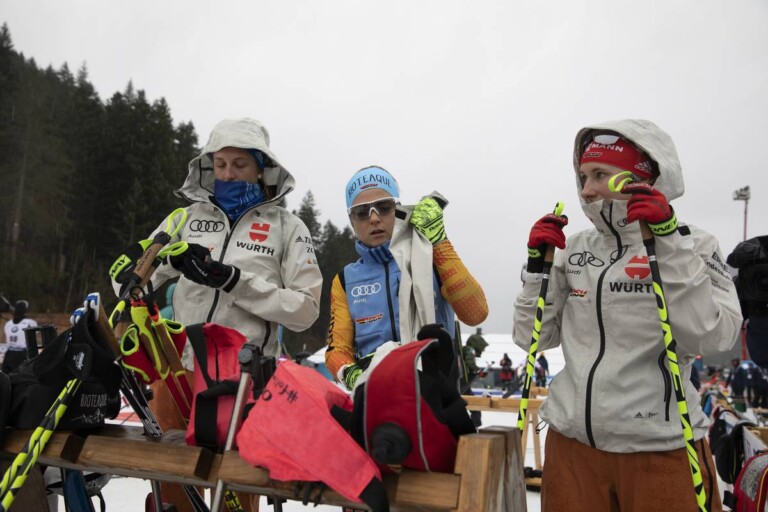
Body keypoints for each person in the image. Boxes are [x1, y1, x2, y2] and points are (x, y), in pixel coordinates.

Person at [513, 119, 742, 511]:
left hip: (659, 446)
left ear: (638, 178)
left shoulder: (695, 244)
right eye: (583, 176)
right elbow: (532, 338)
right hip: (573, 446)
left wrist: (667, 243)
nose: (586, 189)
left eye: (600, 175)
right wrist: (538, 269)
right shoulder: (576, 248)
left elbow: (712, 337)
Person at [112, 117, 323, 512]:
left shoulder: (288, 227)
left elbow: (305, 310)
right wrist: (138, 270)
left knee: (235, 497)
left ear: (262, 167)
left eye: (239, 164)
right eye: (220, 164)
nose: (227, 174)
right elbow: (133, 278)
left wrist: (233, 280)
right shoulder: (186, 218)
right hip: (176, 370)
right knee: (173, 492)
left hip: (242, 380)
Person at [325, 166, 488, 392]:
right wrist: (350, 373)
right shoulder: (345, 280)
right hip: (376, 396)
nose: (374, 218)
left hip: (438, 397)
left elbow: (476, 313)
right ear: (352, 220)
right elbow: (337, 350)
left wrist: (440, 242)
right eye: (361, 212)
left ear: (398, 209)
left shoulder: (430, 257)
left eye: (384, 207)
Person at [462, 328, 490, 427]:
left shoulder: (468, 349)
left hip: (464, 385)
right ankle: (473, 426)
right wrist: (478, 370)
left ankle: (472, 426)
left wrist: (478, 371)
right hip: (463, 385)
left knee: (473, 407)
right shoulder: (470, 350)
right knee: (475, 406)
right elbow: (469, 362)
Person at [2, 300, 37, 373]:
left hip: (9, 354)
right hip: (22, 354)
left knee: (5, 376)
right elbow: (34, 334)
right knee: (20, 376)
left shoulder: (8, 324)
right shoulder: (30, 322)